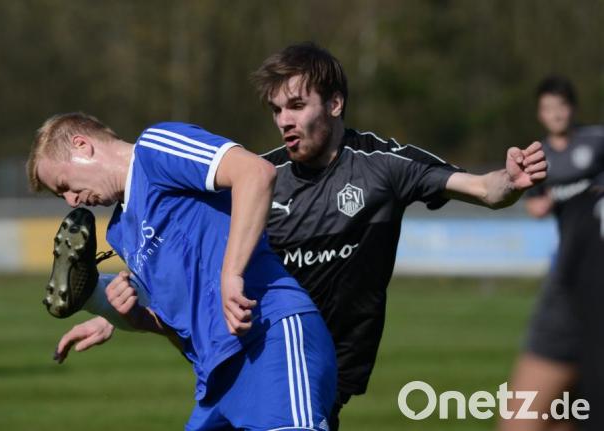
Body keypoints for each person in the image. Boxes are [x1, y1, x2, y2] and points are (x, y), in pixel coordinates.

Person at [59, 42, 548, 429]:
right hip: (268, 344)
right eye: (276, 110)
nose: (284, 121)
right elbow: (193, 255)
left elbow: (485, 189)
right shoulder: (261, 177)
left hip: (325, 353)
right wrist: (120, 311)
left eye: (296, 105)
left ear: (335, 104)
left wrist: (511, 180)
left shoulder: (384, 165)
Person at [28, 113, 338, 430]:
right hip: (217, 376)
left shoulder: (153, 150)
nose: (71, 200)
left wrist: (232, 274)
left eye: (64, 186)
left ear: (82, 145)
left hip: (269, 341)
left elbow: (255, 172)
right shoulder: (120, 231)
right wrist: (129, 316)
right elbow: (182, 326)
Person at [499, 76, 604, 431]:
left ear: (572, 108)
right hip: (575, 268)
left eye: (561, 106)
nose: (556, 115)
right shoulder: (539, 155)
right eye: (548, 108)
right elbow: (536, 206)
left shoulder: (597, 141)